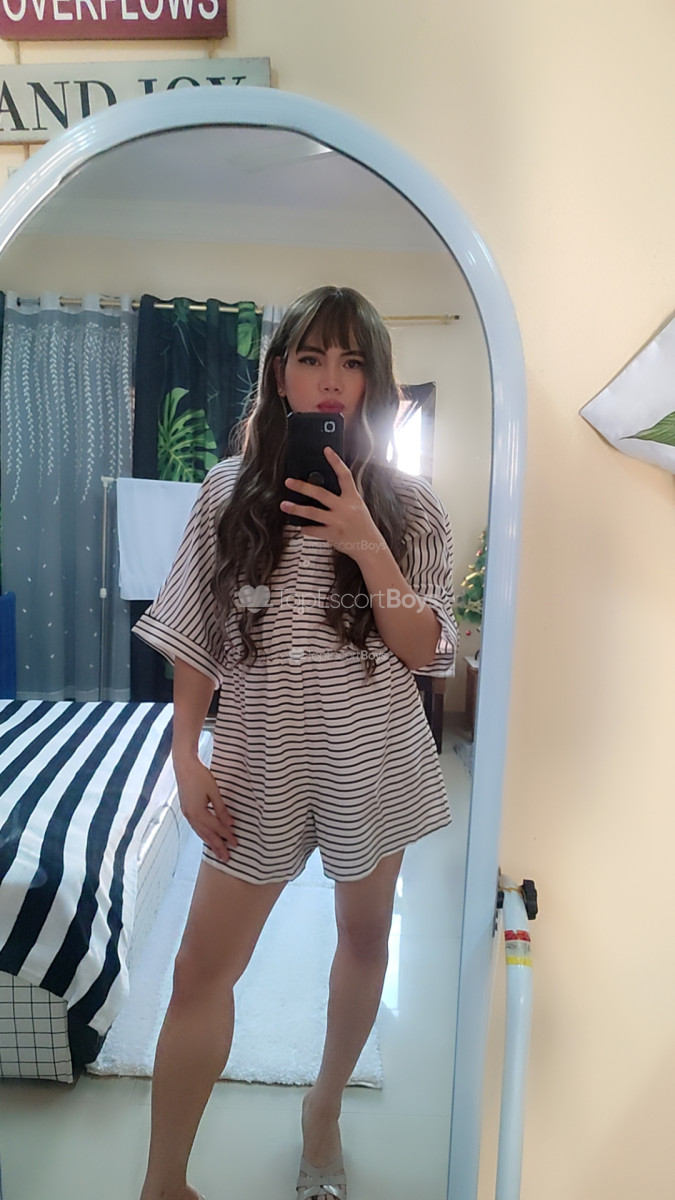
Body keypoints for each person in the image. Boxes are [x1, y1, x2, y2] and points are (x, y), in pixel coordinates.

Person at [134, 285, 458, 1200]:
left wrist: (364, 539)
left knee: (363, 939)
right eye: (311, 358)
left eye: (351, 363)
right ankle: (164, 1182)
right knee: (199, 971)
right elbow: (196, 632)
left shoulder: (412, 508)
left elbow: (424, 650)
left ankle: (324, 1108)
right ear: (279, 375)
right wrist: (185, 755)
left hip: (374, 759)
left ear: (374, 384)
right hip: (256, 759)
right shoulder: (227, 491)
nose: (329, 381)